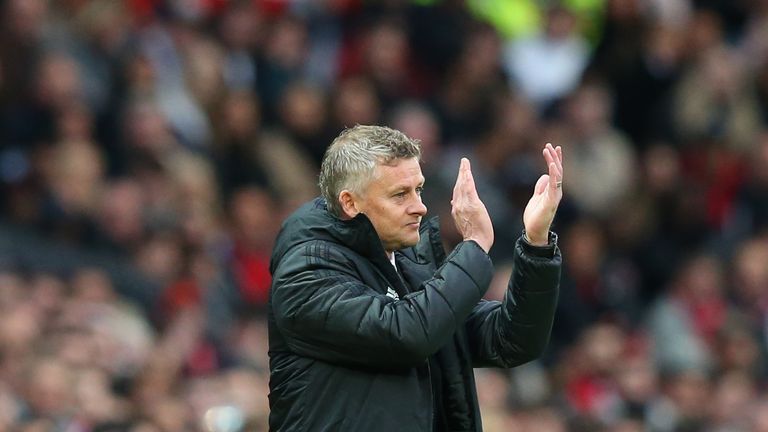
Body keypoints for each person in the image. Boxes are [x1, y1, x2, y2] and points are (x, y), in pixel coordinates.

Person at [267, 125, 563, 431]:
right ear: (350, 203)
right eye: (400, 195)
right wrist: (474, 245)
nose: (420, 207)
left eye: (418, 189)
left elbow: (510, 341)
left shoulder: (409, 264)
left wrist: (535, 244)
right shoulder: (306, 271)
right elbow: (405, 335)